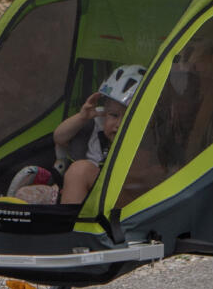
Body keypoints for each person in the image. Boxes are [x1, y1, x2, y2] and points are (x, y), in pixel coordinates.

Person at [53, 65, 146, 204]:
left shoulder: (147, 140)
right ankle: (70, 218)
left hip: (122, 200)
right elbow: (59, 138)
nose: (119, 124)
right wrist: (82, 118)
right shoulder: (98, 123)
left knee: (80, 171)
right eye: (114, 115)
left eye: (129, 118)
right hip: (90, 191)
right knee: (77, 171)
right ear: (105, 112)